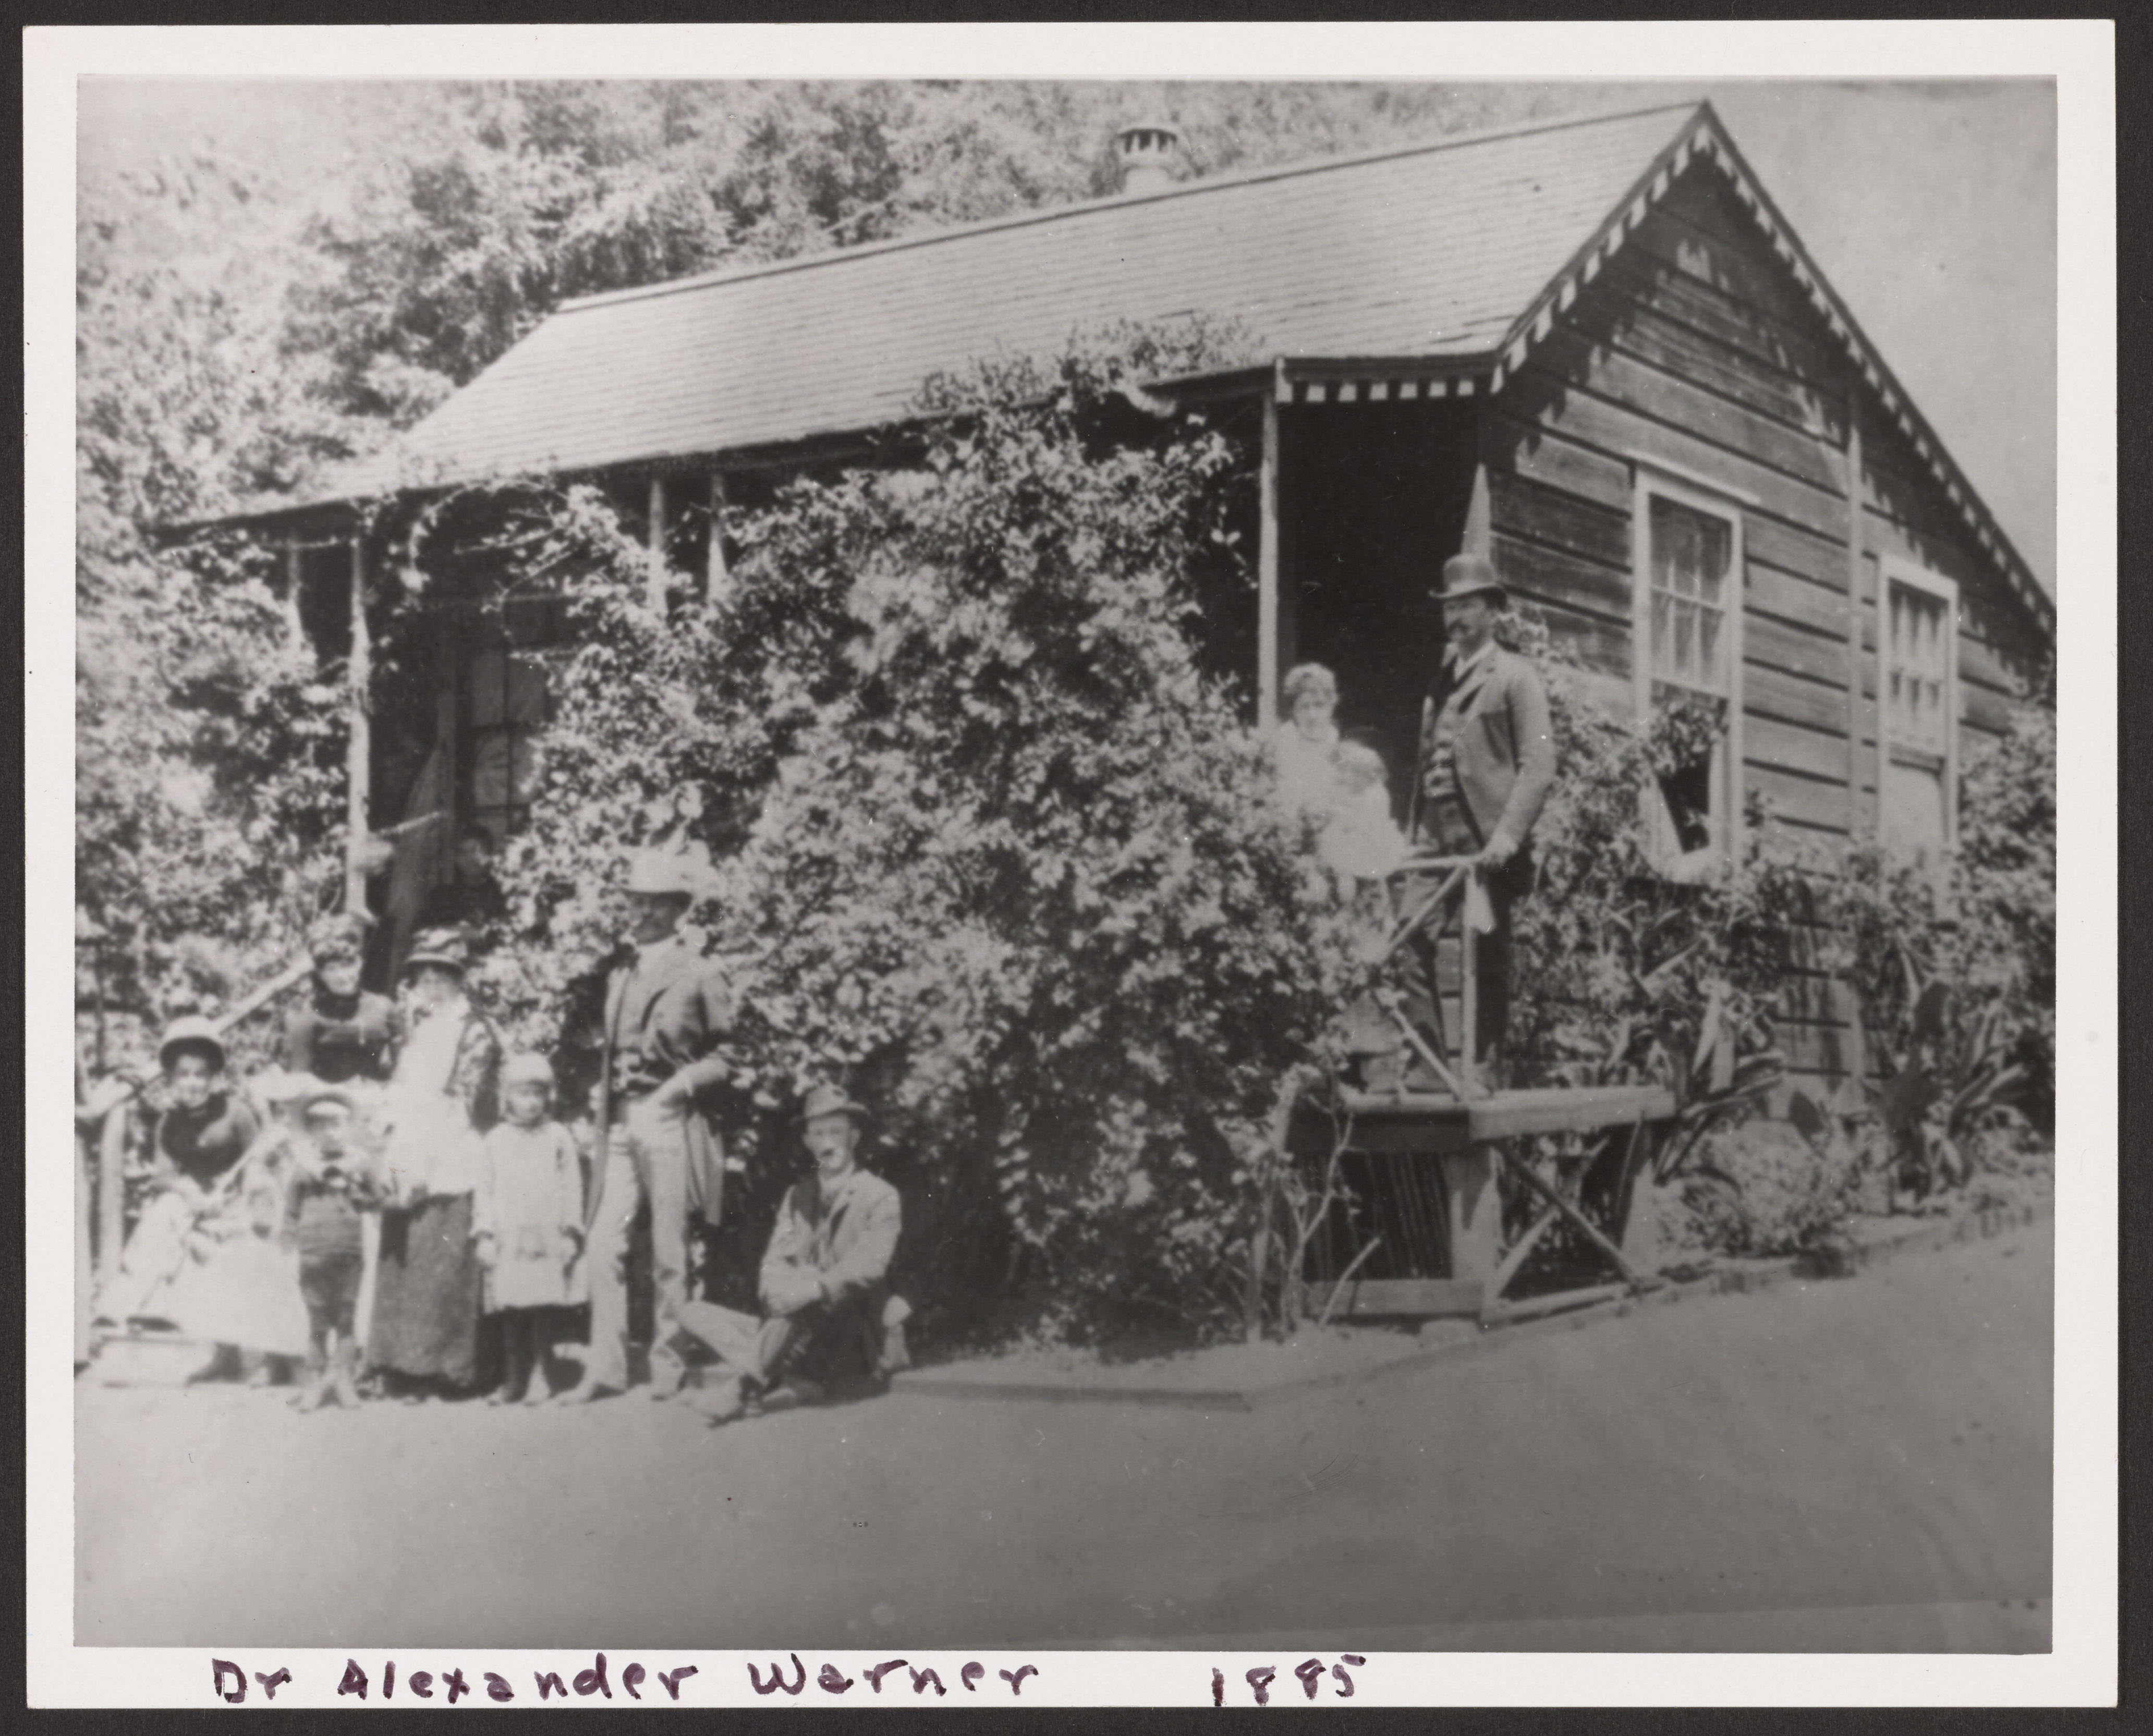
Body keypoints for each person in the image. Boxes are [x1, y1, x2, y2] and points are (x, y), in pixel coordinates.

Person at [558, 843, 737, 1404]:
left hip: (668, 1120)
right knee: (603, 1243)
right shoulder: (620, 972)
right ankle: (606, 1368)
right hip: (618, 1121)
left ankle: (668, 1362)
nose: (639, 913)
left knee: (668, 1250)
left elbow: (728, 1056)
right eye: (634, 901)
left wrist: (678, 1088)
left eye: (653, 904)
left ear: (677, 909)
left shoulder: (700, 972)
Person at [1398, 552, 1556, 1085]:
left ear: (1492, 612)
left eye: (1467, 606)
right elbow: (1428, 763)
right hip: (1433, 838)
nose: (1456, 619)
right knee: (1409, 935)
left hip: (1486, 841)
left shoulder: (1515, 676)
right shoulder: (1440, 680)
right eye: (1449, 609)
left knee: (1484, 952)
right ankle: (1428, 1067)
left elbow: (1539, 766)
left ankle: (1483, 1072)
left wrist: (1509, 836)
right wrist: (1411, 832)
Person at [678, 1083, 909, 1427]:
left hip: (849, 1334)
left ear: (854, 1138)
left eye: (836, 1132)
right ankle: (784, 1379)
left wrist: (811, 1289)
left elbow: (869, 1267)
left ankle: (742, 1388)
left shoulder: (880, 1197)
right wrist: (777, 1291)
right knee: (692, 1312)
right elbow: (773, 1261)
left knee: (804, 1290)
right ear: (807, 1142)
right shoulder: (797, 1196)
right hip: (793, 1329)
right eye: (818, 1134)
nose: (828, 1142)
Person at [368, 928, 501, 1400]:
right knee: (401, 1260)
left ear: (457, 979)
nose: (432, 984)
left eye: (441, 975)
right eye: (424, 976)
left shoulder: (474, 1030)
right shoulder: (413, 1028)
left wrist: (423, 1157)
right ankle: (396, 1364)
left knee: (439, 1261)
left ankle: (442, 1370)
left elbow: (467, 1102)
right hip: (408, 1150)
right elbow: (399, 1088)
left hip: (448, 1153)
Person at [90, 1018, 261, 1366]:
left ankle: (227, 1351)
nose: (193, 1083)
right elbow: (163, 1177)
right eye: (184, 1074)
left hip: (235, 1202)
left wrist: (239, 1205)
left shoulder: (237, 1112)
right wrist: (190, 1192)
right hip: (192, 1202)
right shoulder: (170, 1121)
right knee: (165, 1208)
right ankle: (123, 1306)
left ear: (214, 1077)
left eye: (201, 1074)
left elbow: (257, 1164)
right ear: (170, 1078)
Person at [472, 1053, 586, 1406]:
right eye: (523, 1093)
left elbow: (571, 1185)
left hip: (545, 1235)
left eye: (538, 1093)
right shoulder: (495, 1140)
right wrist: (485, 1235)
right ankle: (513, 1377)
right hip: (508, 1236)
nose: (531, 1101)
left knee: (540, 1307)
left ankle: (541, 1373)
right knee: (511, 1308)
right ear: (507, 1097)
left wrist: (570, 1232)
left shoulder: (557, 1136)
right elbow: (484, 1189)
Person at [281, 1084, 384, 1411]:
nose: (330, 1133)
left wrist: (361, 1198)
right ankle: (313, 1382)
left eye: (336, 1124)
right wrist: (288, 1236)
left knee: (345, 1318)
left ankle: (344, 1380)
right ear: (311, 1130)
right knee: (316, 1320)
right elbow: (291, 1209)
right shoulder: (303, 1165)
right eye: (321, 1125)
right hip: (313, 1251)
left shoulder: (361, 1163)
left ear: (349, 1127)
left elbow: (379, 1198)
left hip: (348, 1250)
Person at [282, 914, 397, 1086]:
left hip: (376, 1100)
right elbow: (299, 1079)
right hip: (329, 1103)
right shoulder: (309, 1017)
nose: (342, 977)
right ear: (321, 975)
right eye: (332, 969)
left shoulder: (383, 1007)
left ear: (359, 964)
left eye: (347, 966)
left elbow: (407, 1060)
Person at [1272, 662, 1343, 816]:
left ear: (1332, 705)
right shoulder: (1285, 740)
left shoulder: (1337, 741)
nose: (1312, 715)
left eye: (1319, 705)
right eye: (1304, 707)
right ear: (1293, 711)